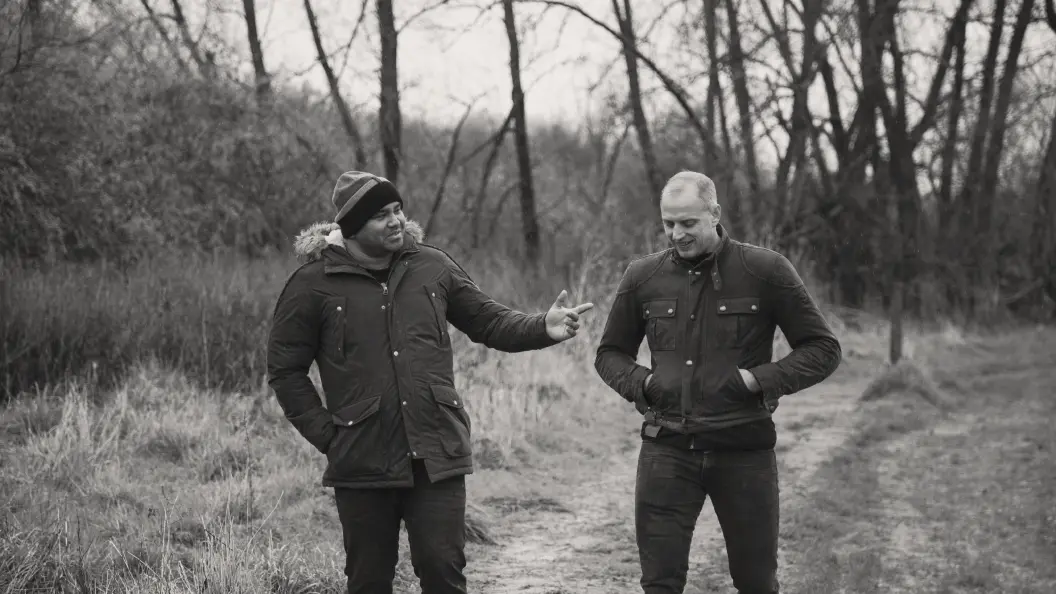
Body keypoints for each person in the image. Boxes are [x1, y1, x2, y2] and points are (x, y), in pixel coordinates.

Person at [267, 171, 593, 594]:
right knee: (368, 582)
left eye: (398, 209)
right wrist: (330, 436)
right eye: (381, 214)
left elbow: (489, 321)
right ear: (350, 226)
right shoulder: (312, 285)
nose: (396, 221)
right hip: (362, 462)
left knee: (443, 573)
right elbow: (285, 370)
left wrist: (540, 327)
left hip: (437, 453)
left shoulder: (432, 266)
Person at [594, 171, 842, 594]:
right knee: (659, 584)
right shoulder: (642, 277)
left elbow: (822, 349)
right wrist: (646, 384)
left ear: (715, 214)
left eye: (688, 223)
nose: (677, 234)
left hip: (743, 449)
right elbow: (609, 355)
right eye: (668, 223)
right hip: (666, 450)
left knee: (756, 581)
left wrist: (758, 381)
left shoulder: (765, 269)